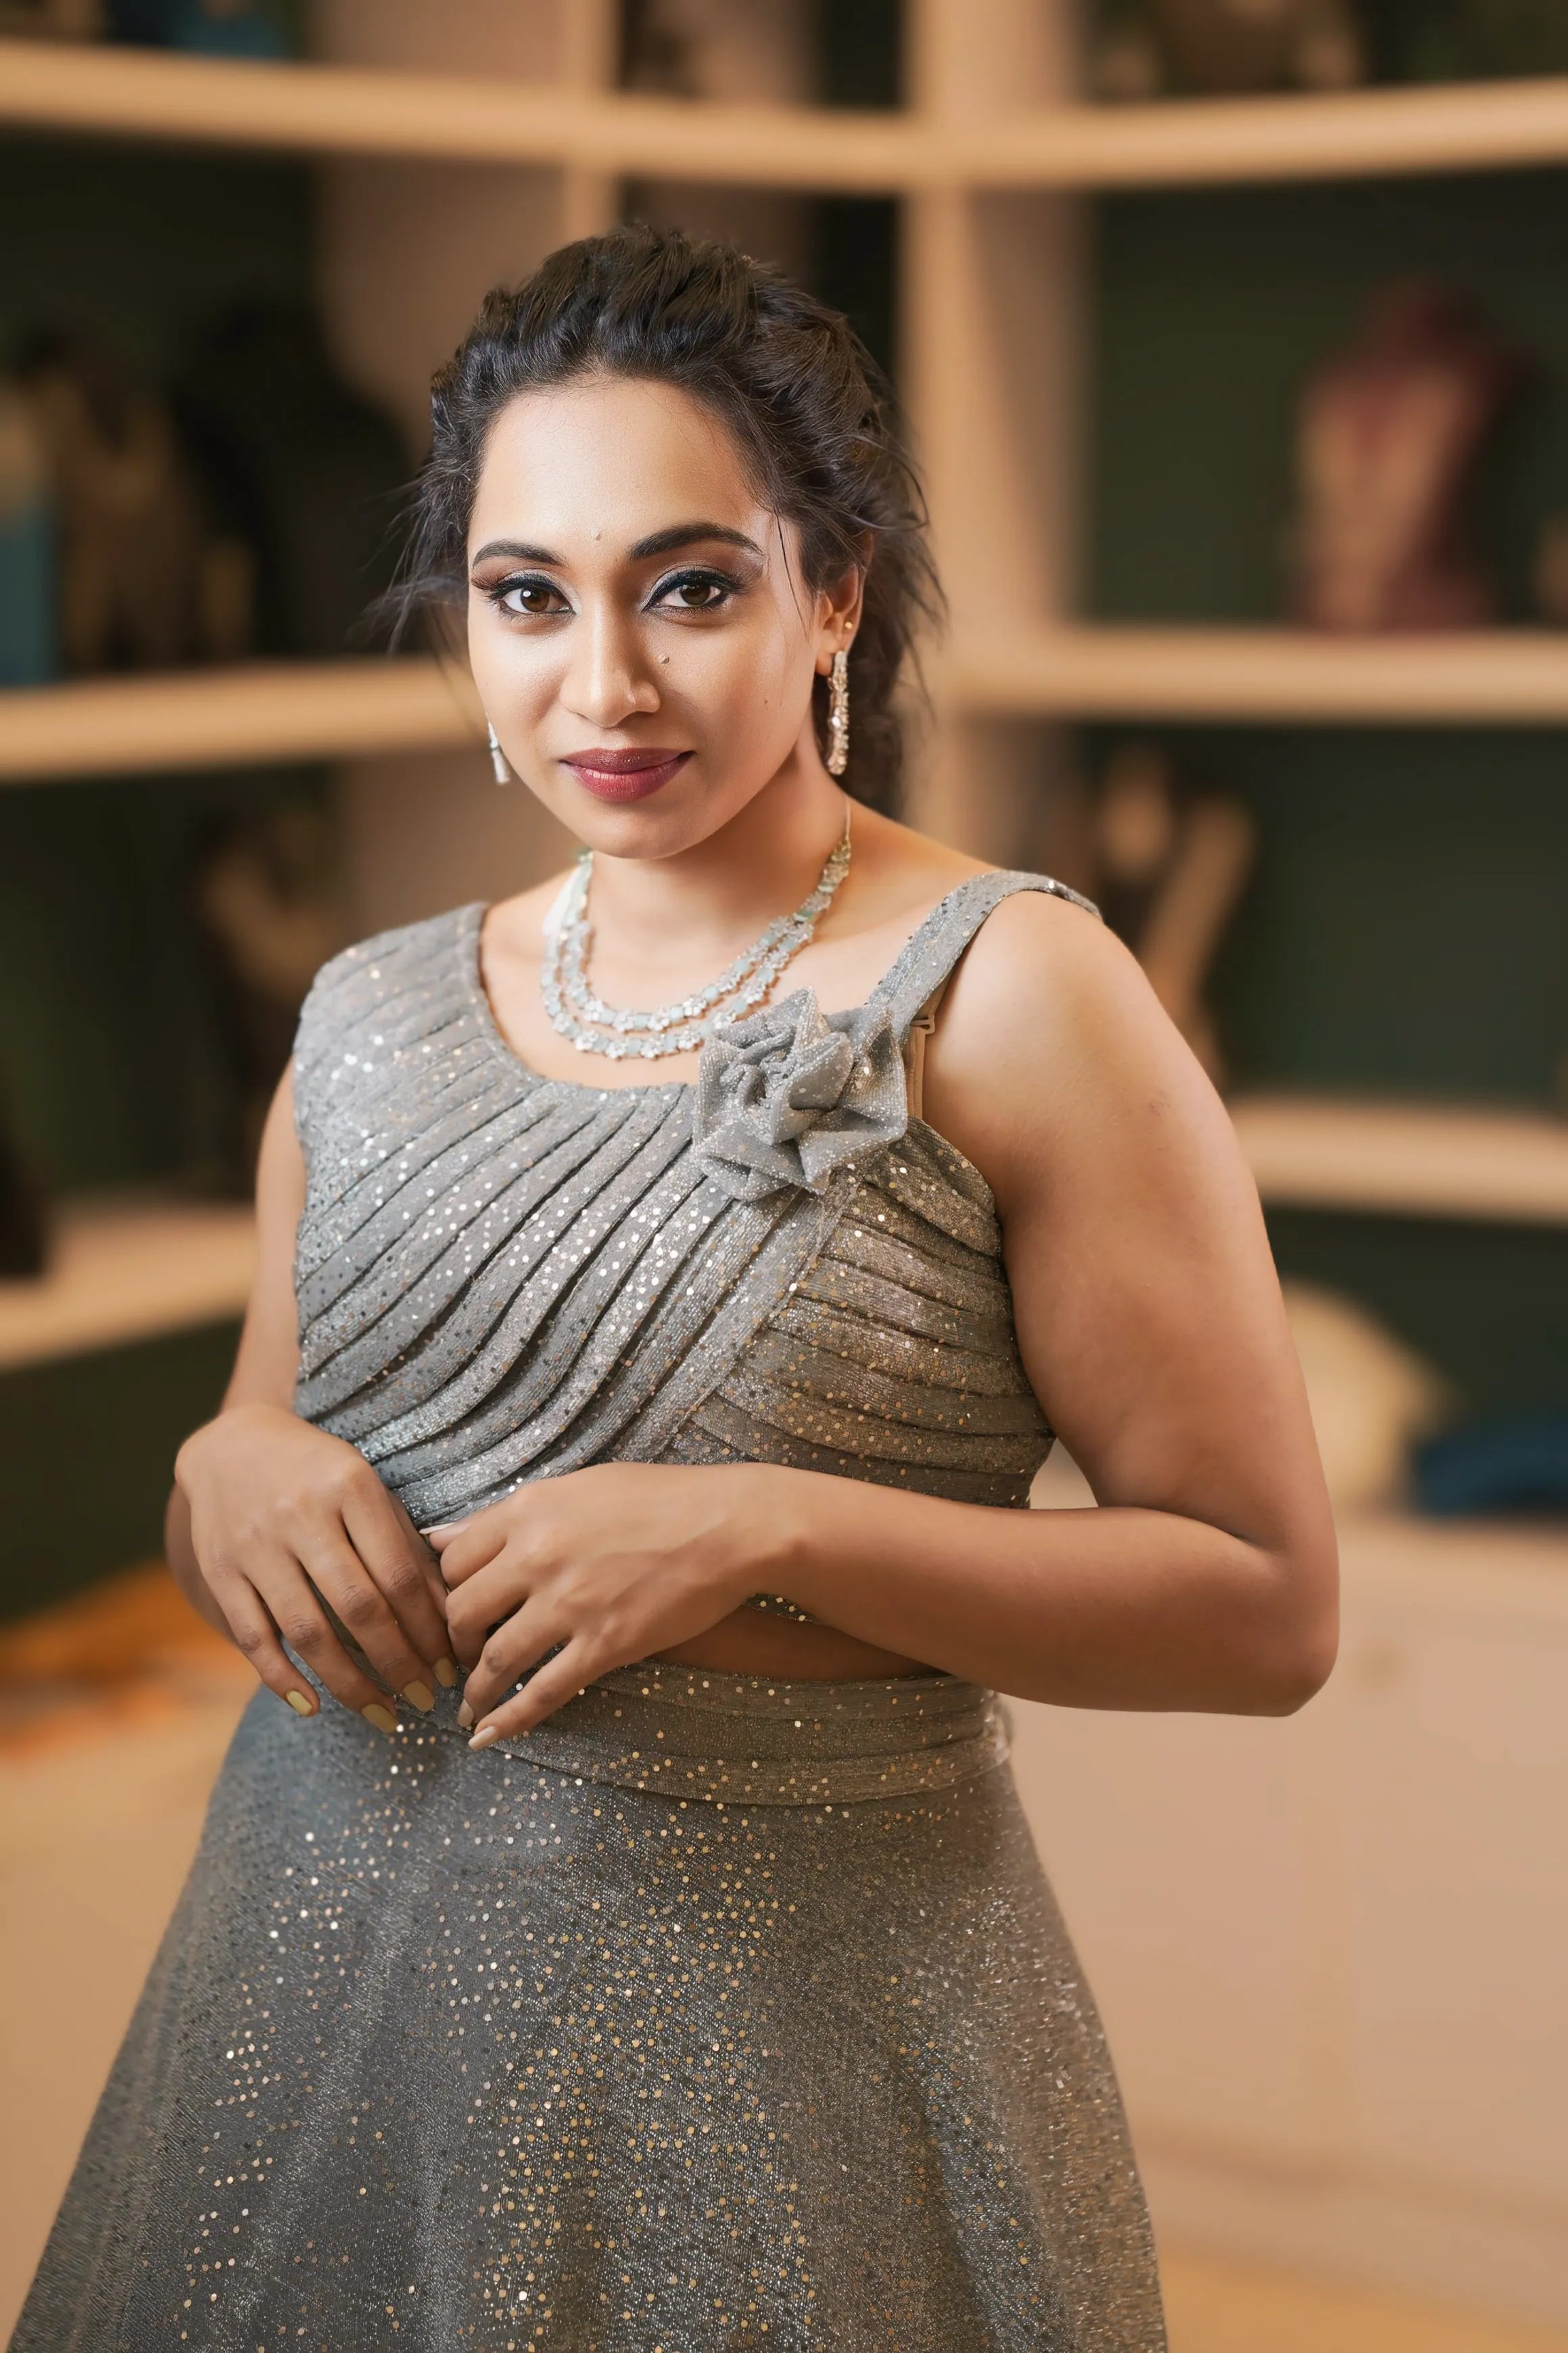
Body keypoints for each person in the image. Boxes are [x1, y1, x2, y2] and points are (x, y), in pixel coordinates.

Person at [14, 225, 1336, 2352]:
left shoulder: (1013, 991)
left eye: (691, 586)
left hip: (797, 2072)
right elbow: (254, 1486)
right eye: (528, 596)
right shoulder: (362, 1017)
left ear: (835, 591)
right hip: (311, 2015)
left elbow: (1267, 1608)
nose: (603, 684)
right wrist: (223, 1458)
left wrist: (770, 1528)